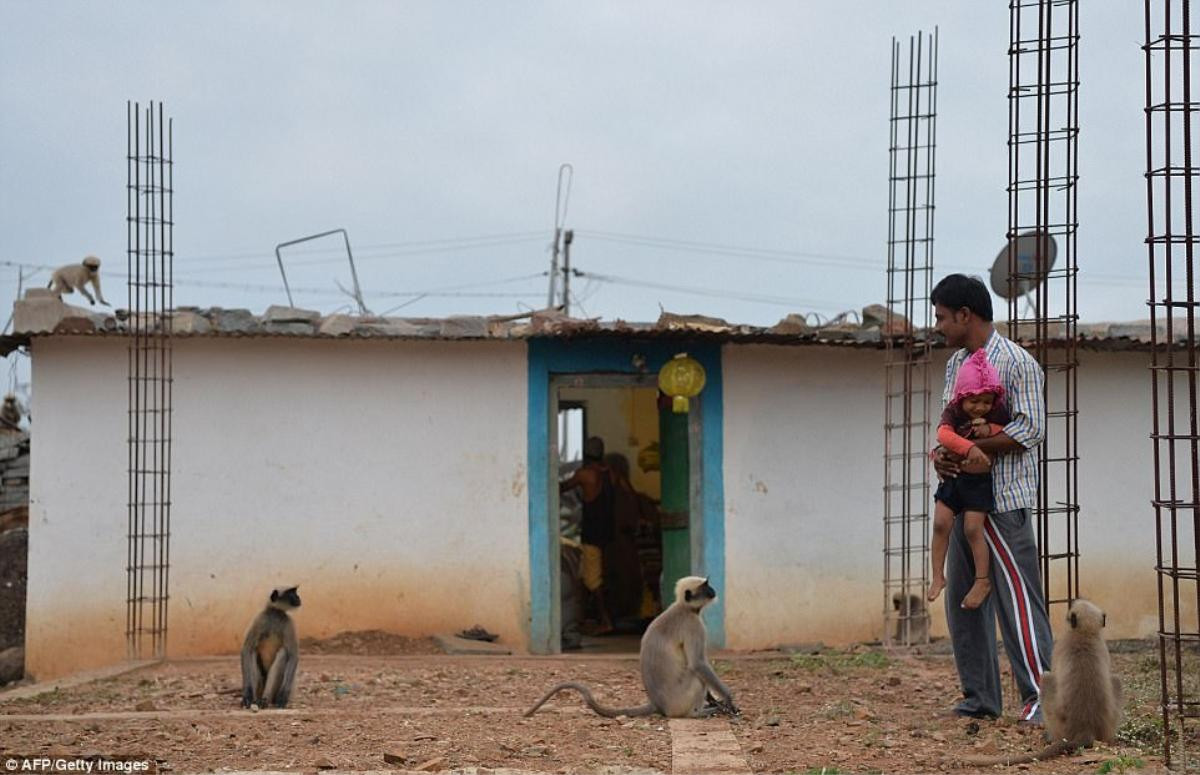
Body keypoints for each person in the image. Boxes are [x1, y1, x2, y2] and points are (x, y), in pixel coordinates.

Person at [930, 273, 1053, 723]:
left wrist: (977, 449)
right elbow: (952, 427)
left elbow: (1031, 429)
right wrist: (943, 456)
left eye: (943, 317)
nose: (939, 325)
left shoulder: (1017, 363)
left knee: (1017, 599)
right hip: (962, 498)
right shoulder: (955, 365)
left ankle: (1042, 696)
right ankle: (979, 699)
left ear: (966, 315)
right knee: (963, 598)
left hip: (1002, 501)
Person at [927, 349, 1011, 611]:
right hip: (953, 480)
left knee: (973, 529)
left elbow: (1008, 431)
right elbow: (943, 435)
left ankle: (982, 580)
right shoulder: (954, 413)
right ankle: (938, 576)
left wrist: (991, 430)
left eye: (986, 401)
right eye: (974, 401)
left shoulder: (995, 414)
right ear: (962, 397)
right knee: (941, 523)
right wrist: (971, 448)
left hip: (978, 485)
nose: (980, 407)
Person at [559, 436, 615, 634]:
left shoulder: (584, 474)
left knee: (593, 581)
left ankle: (605, 621)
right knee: (590, 577)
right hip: (608, 531)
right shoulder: (611, 473)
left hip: (592, 532)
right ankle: (582, 620)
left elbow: (562, 488)